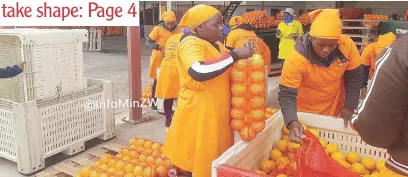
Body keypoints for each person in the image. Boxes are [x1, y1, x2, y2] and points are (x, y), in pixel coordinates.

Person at [162, 4, 254, 177]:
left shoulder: (216, 44)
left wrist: (243, 52)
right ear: (198, 27)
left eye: (222, 23)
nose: (222, 28)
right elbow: (199, 70)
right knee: (197, 159)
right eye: (216, 24)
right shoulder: (191, 44)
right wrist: (235, 55)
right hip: (198, 112)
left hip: (214, 111)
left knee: (213, 159)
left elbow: (224, 57)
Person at [278, 9, 363, 143]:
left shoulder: (346, 45)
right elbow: (287, 94)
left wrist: (349, 106)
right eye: (320, 45)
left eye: (331, 45)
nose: (326, 50)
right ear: (311, 38)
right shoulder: (296, 59)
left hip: (335, 106)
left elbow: (355, 76)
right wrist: (292, 121)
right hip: (305, 112)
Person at [351, 34, 408, 177]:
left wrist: (359, 121)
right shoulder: (371, 49)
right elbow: (363, 70)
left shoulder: (400, 51)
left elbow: (376, 122)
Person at [155, 27, 189, 128]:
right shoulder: (188, 39)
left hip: (166, 68)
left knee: (168, 95)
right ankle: (180, 120)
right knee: (182, 96)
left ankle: (168, 120)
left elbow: (167, 50)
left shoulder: (172, 37)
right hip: (178, 69)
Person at [145, 11, 178, 110]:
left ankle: (169, 103)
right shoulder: (158, 29)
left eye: (172, 23)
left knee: (171, 80)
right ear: (164, 21)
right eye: (167, 23)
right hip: (158, 58)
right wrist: (159, 47)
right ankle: (155, 103)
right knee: (157, 80)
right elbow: (148, 41)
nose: (170, 25)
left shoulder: (178, 30)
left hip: (173, 59)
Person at [360, 32, 396, 99]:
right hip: (372, 77)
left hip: (391, 79)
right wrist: (363, 86)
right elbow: (363, 70)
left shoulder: (397, 53)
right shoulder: (370, 48)